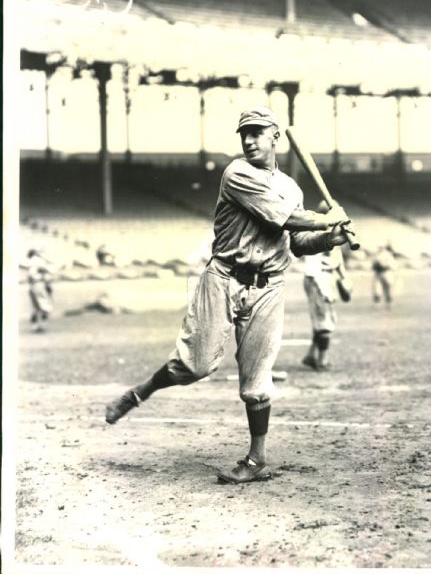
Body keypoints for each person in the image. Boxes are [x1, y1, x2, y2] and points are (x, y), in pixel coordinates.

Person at [105, 106, 352, 484]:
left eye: (257, 132)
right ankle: (140, 392)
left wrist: (328, 238)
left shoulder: (291, 187)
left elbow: (298, 243)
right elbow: (282, 218)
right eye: (244, 134)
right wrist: (328, 217)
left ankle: (256, 459)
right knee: (194, 366)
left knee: (257, 379)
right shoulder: (236, 173)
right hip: (223, 279)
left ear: (275, 138)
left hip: (268, 286)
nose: (249, 140)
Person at [302, 215, 351, 371]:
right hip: (317, 278)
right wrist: (321, 289)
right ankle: (322, 360)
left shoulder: (335, 238)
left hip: (327, 278)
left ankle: (311, 355)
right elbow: (312, 270)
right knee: (324, 322)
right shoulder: (317, 237)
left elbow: (339, 263)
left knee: (326, 319)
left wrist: (344, 280)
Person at [23, 248, 54, 332]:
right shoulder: (37, 261)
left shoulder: (31, 262)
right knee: (45, 306)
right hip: (39, 284)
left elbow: (31, 275)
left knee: (35, 307)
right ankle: (41, 325)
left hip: (33, 285)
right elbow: (43, 270)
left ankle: (35, 326)